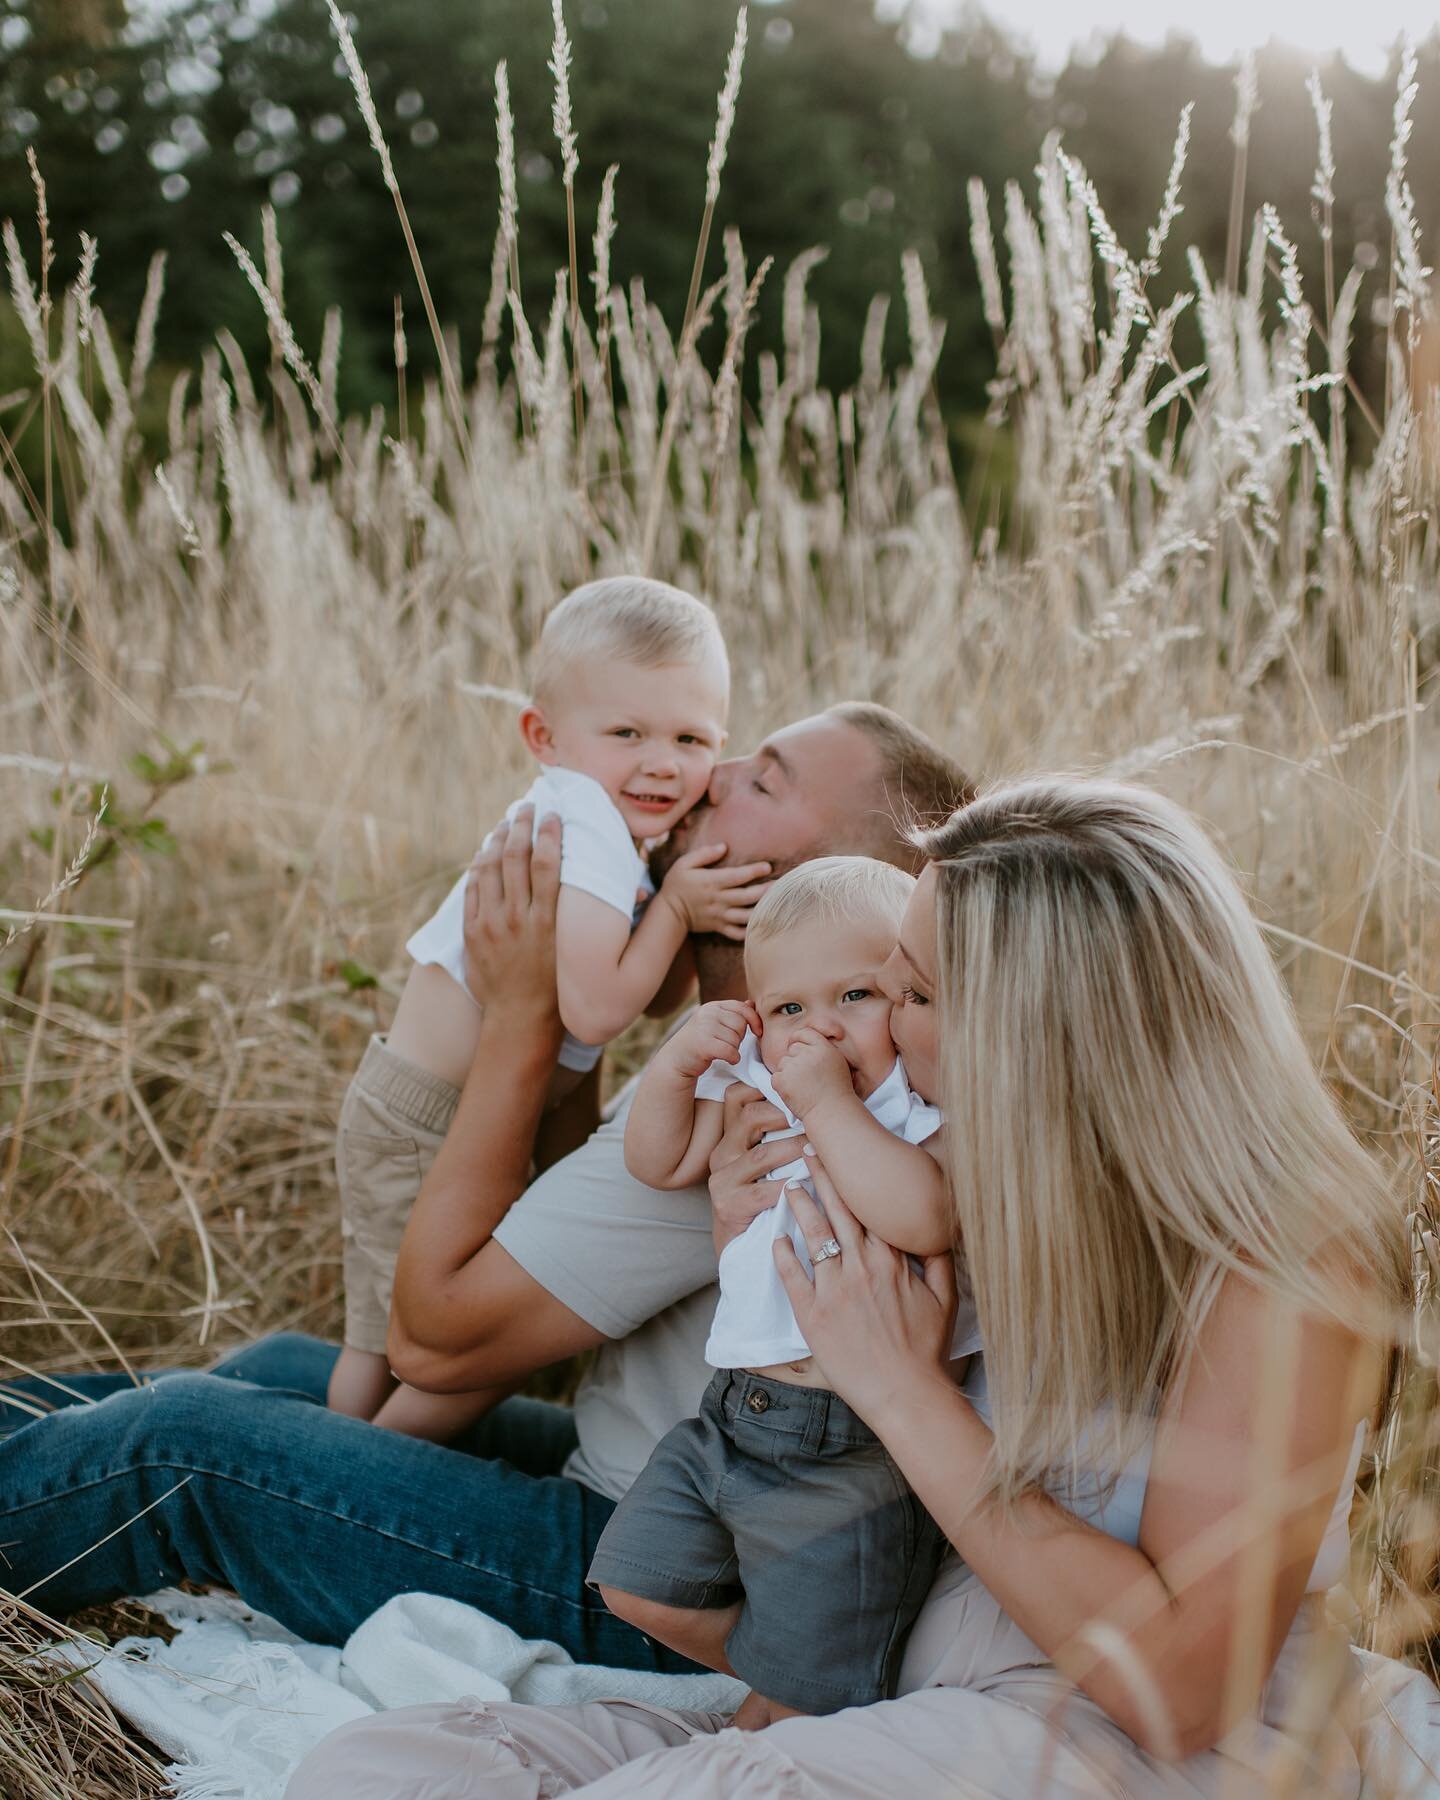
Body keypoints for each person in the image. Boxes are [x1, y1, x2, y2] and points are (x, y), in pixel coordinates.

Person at [286, 776, 1411, 1798]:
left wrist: (897, 1386)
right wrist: (759, 1256)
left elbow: (1179, 1694)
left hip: (1124, 1743)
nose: (858, 1032)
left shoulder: (1285, 1265)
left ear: (1034, 1033)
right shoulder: (989, 1181)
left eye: (903, 992)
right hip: (908, 1676)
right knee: (376, 1768)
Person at [0, 701, 972, 1672]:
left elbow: (439, 1333)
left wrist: (523, 1016)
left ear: (825, 892)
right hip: (660, 1486)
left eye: (760, 783)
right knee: (290, 1370)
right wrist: (579, 1012)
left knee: (184, 1446)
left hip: (657, 1577)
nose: (710, 775)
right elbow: (541, 1236)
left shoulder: (793, 1098)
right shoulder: (759, 1048)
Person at [328, 576, 770, 1440]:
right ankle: (341, 1468)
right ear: (545, 737)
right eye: (627, 733)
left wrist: (682, 899)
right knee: (383, 1339)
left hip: (456, 1104)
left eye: (691, 738)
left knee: (408, 1338)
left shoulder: (619, 826)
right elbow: (603, 1011)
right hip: (426, 1113)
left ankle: (355, 1457)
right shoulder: (589, 825)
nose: (662, 762)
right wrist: (678, 908)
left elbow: (650, 1000)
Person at [595, 858, 969, 1716]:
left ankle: (798, 1694)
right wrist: (675, 1067)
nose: (822, 1031)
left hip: (852, 1439)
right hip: (732, 1411)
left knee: (798, 1696)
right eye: (790, 1009)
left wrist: (829, 1105)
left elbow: (923, 1217)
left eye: (858, 995)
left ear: (912, 998)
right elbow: (658, 1161)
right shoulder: (764, 1091)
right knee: (637, 1584)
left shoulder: (915, 1111)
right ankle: (786, 1676)